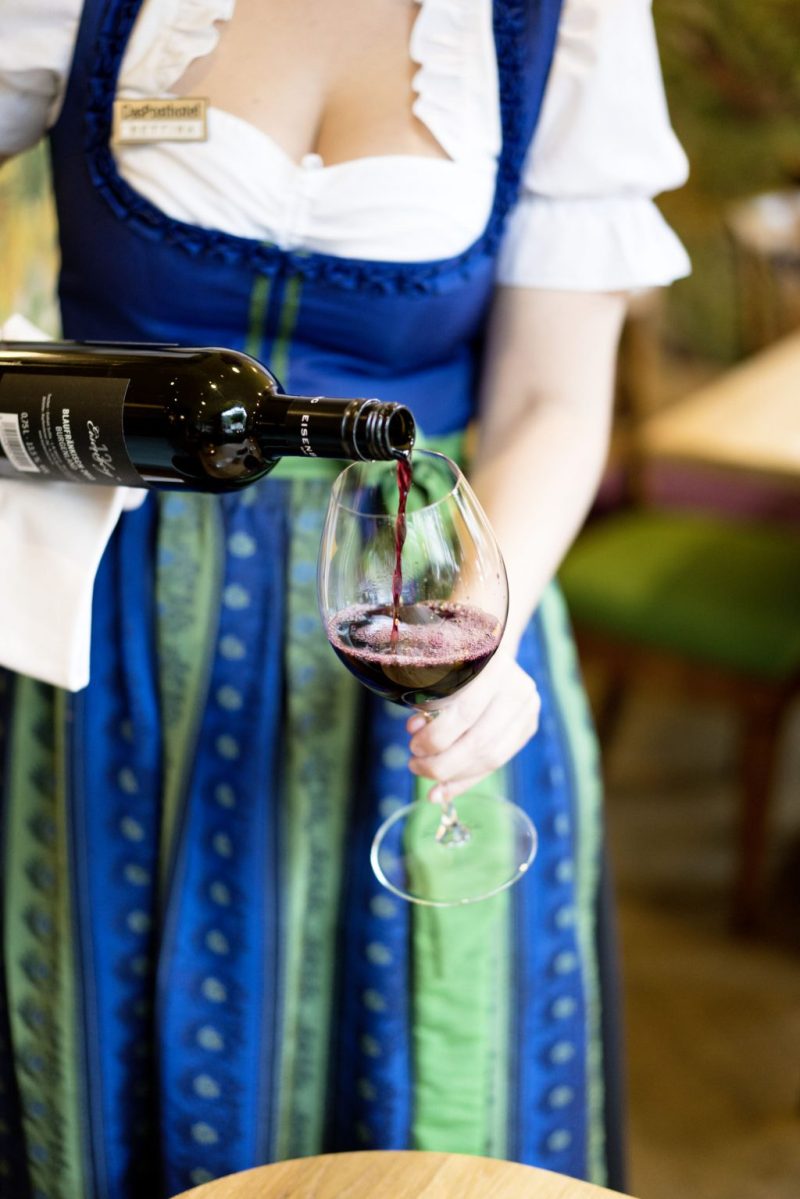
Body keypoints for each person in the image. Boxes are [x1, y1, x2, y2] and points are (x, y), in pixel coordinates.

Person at [0, 1, 689, 1196]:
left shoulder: (567, 20)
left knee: (426, 1079)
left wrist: (485, 634)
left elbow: (551, 401)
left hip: (435, 586)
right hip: (109, 628)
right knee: (101, 1034)